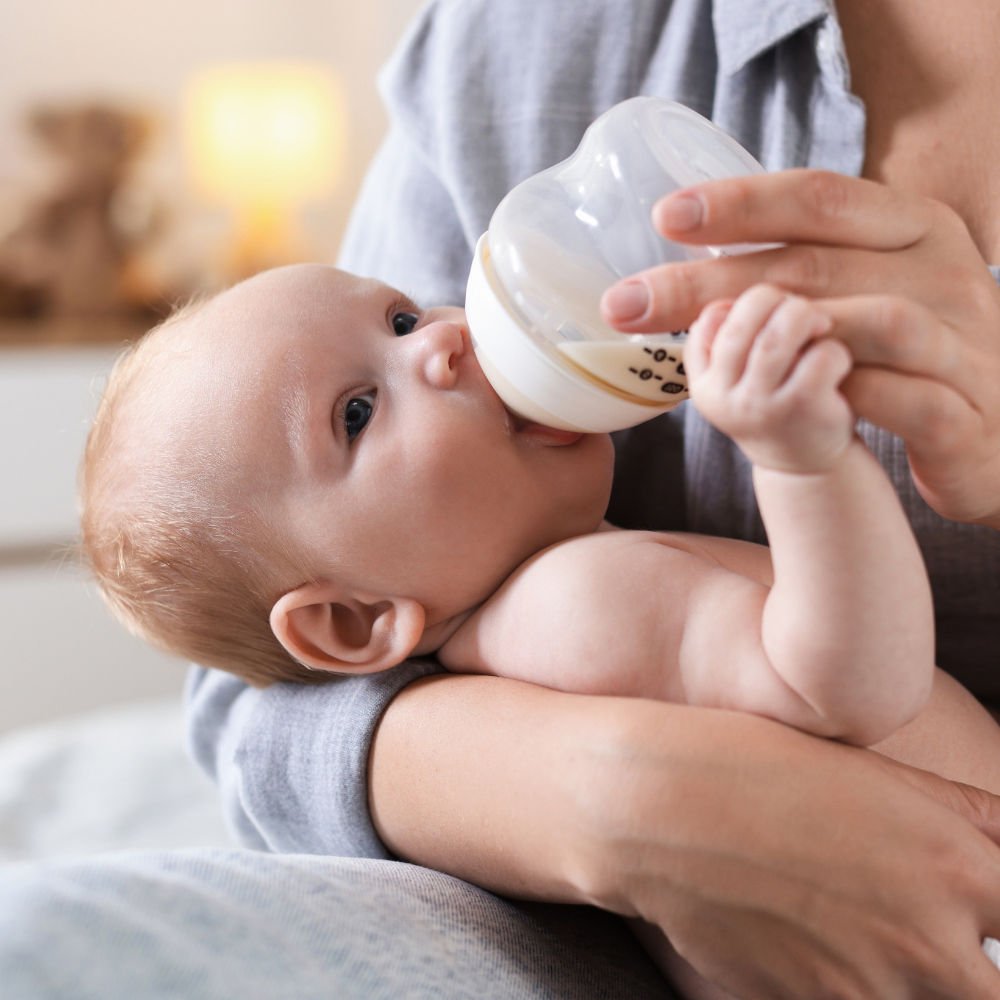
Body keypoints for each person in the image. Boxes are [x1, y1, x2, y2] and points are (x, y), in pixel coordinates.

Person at [5, 1, 1000, 998]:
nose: (441, 337)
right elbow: (850, 683)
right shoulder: (580, 604)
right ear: (353, 623)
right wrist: (798, 459)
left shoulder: (543, 618)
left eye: (398, 312)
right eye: (356, 411)